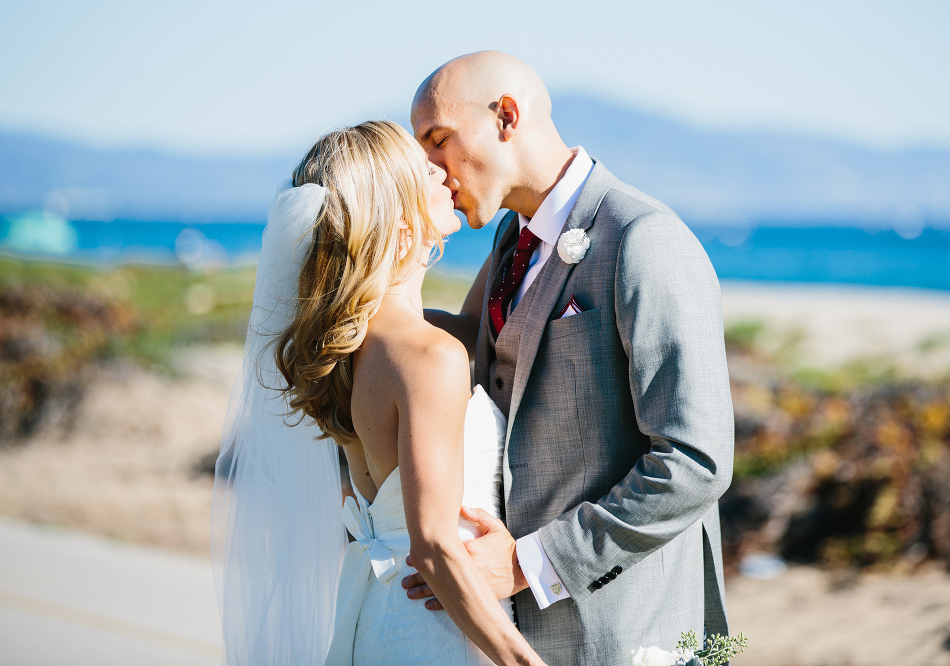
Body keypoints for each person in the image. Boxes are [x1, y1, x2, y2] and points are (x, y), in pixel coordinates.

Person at [404, 51, 735, 665]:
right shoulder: (514, 236)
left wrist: (530, 564)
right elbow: (474, 353)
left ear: (507, 116)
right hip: (514, 635)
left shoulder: (643, 238)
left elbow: (696, 460)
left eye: (439, 138)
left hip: (627, 632)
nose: (429, 165)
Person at [212, 121, 545, 665]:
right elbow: (434, 549)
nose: (444, 173)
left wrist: (525, 212)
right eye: (423, 170)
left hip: (377, 621)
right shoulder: (427, 357)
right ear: (397, 210)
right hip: (444, 633)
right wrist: (523, 661)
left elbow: (471, 319)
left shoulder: (351, 343)